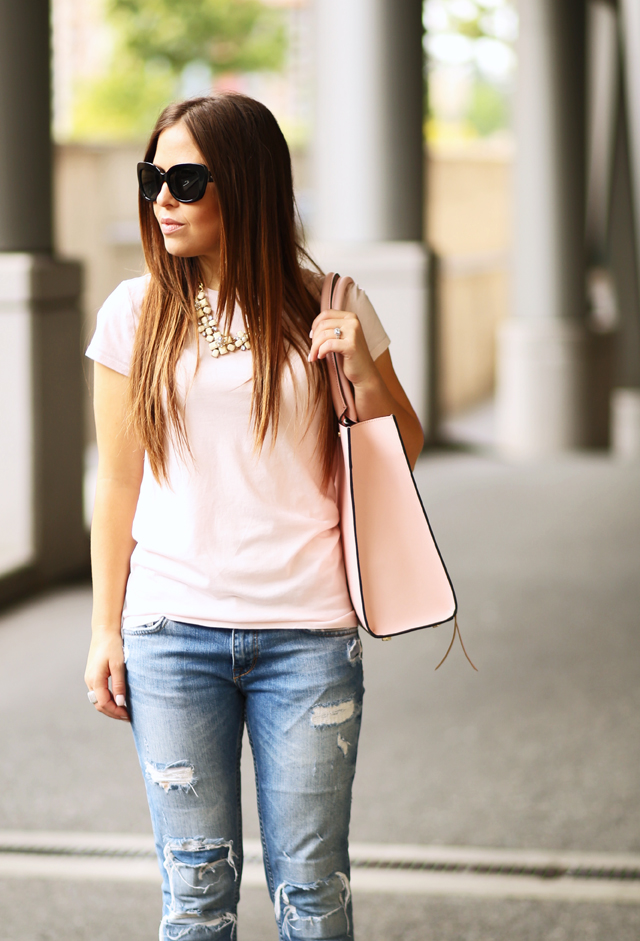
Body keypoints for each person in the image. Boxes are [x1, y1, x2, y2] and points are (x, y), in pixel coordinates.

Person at [84, 93, 423, 941]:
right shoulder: (133, 313)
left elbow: (403, 448)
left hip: (307, 635)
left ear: (246, 185)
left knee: (311, 893)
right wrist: (104, 628)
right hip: (170, 633)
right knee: (195, 896)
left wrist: (363, 371)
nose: (162, 197)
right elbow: (117, 483)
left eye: (186, 179)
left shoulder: (326, 302)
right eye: (152, 176)